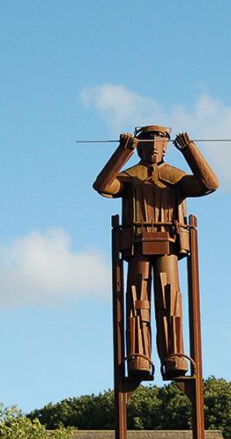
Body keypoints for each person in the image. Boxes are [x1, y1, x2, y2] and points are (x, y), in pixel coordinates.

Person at [94, 125, 219, 380]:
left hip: (168, 244)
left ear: (165, 147)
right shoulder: (131, 176)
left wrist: (189, 149)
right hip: (138, 243)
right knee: (137, 299)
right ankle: (139, 357)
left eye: (159, 143)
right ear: (139, 147)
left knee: (170, 298)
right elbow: (103, 185)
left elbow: (209, 183)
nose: (154, 149)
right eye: (147, 144)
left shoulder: (175, 177)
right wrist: (122, 152)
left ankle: (174, 356)